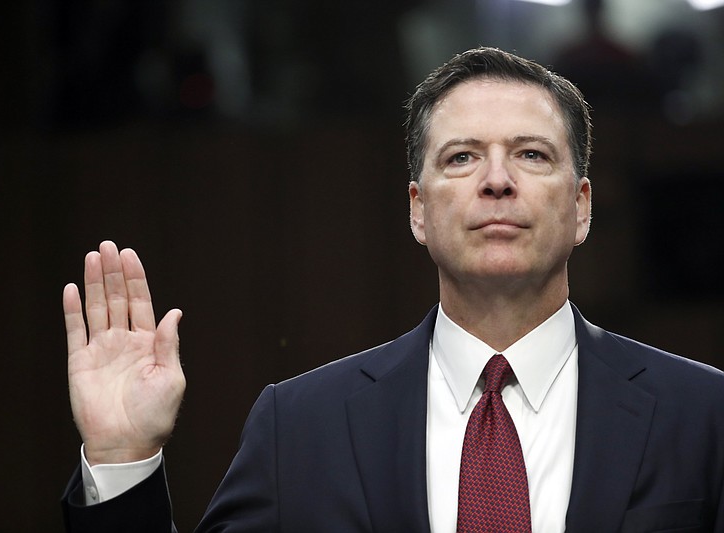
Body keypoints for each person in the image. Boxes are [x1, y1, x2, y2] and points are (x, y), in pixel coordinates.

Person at [61, 47, 724, 532]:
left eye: (531, 154)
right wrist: (122, 459)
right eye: (461, 157)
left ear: (581, 206)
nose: (496, 180)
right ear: (417, 210)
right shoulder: (301, 427)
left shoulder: (704, 414)